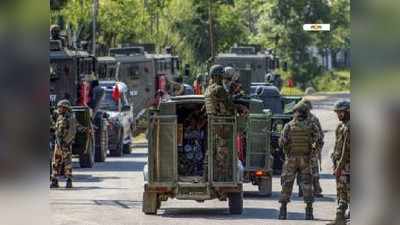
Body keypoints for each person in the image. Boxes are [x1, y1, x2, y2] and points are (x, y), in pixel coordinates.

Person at [278, 102, 321, 220]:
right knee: (307, 184)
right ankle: (309, 212)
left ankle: (283, 211)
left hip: (291, 159)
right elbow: (319, 139)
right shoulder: (312, 125)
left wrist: (286, 151)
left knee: (287, 184)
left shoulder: (288, 125)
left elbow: (281, 142)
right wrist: (314, 153)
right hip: (305, 159)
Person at [204, 64, 235, 181]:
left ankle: (207, 176)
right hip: (221, 124)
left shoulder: (208, 89)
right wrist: (241, 107)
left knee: (210, 150)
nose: (223, 78)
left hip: (211, 123)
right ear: (217, 76)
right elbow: (229, 106)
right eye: (222, 76)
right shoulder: (219, 89)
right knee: (223, 152)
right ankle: (222, 179)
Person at [50, 99, 90, 189]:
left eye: (61, 107)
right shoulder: (59, 117)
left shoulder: (70, 118)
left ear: (65, 108)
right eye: (59, 107)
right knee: (55, 163)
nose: (59, 109)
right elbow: (55, 128)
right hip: (58, 143)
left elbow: (73, 130)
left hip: (65, 144)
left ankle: (69, 181)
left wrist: (65, 142)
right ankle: (54, 180)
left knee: (67, 163)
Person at [327, 100, 350, 225]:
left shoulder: (350, 127)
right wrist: (335, 162)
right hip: (341, 165)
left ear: (348, 111)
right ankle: (340, 218)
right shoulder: (341, 127)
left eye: (340, 112)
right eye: (337, 112)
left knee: (348, 192)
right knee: (341, 191)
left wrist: (340, 167)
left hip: (347, 166)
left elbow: (346, 150)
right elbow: (338, 146)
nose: (338, 115)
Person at [297, 99, 325, 198]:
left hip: (304, 150)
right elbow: (321, 136)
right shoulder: (313, 119)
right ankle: (313, 190)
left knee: (304, 170)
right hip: (308, 150)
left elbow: (320, 136)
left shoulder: (297, 119)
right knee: (312, 170)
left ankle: (306, 190)